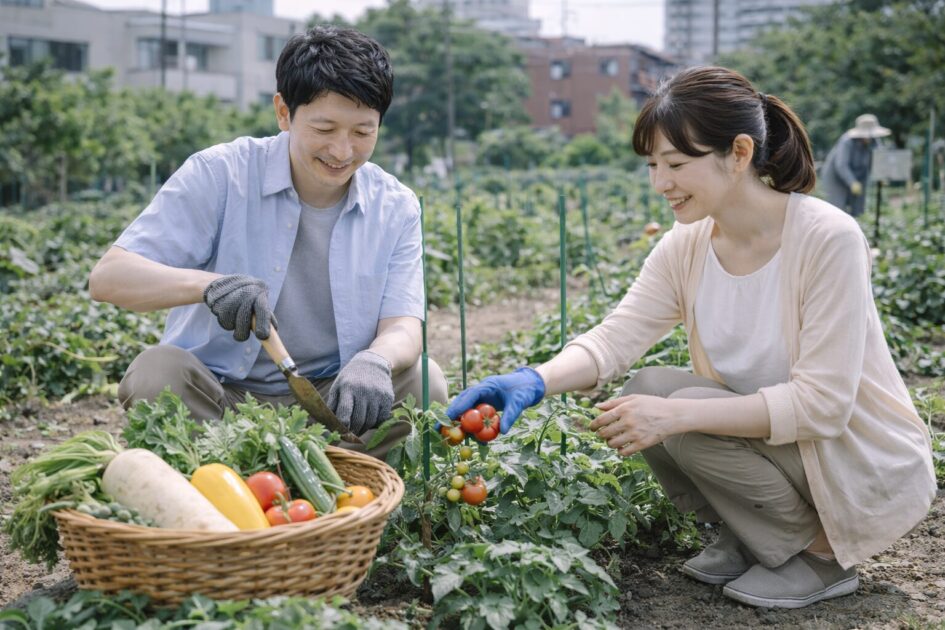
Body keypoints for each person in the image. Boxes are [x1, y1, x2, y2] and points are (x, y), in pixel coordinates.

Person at [446, 67, 935, 609]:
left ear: (740, 152)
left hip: (849, 455)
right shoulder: (688, 244)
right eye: (653, 165)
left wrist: (676, 417)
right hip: (783, 448)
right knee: (651, 384)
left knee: (676, 409)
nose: (660, 182)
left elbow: (823, 406)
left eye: (677, 164)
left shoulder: (827, 239)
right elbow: (616, 337)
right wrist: (532, 381)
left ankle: (820, 554)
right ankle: (754, 536)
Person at [89, 25, 448, 460]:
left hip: (334, 401)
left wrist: (375, 361)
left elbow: (404, 326)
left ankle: (336, 481)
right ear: (283, 112)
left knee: (421, 382)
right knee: (156, 374)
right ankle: (242, 479)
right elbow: (108, 277)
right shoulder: (220, 174)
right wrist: (207, 287)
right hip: (221, 399)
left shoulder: (396, 205)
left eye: (362, 132)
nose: (342, 150)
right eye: (324, 127)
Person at [820, 113, 891, 216]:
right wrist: (852, 182)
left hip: (859, 175)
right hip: (836, 177)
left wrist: (881, 175)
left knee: (859, 208)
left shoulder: (875, 141)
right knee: (838, 209)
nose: (869, 138)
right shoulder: (847, 141)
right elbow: (841, 165)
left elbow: (879, 158)